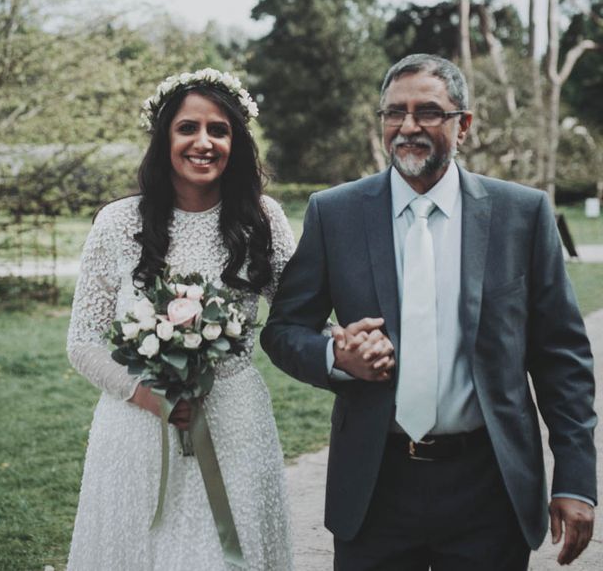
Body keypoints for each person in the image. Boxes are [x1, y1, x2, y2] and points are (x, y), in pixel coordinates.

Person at [261, 54, 596, 570]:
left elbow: (562, 358)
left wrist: (575, 478)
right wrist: (336, 357)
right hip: (375, 487)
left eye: (428, 112)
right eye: (394, 112)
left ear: (464, 125)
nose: (408, 126)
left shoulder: (521, 214)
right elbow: (283, 329)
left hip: (488, 487)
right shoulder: (335, 212)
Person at [65, 68, 295, 570]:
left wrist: (346, 343)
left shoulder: (263, 219)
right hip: (136, 428)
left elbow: (298, 317)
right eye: (188, 127)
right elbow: (83, 341)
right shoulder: (118, 223)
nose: (204, 142)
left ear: (237, 141)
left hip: (234, 420)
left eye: (219, 129)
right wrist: (150, 397)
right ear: (164, 137)